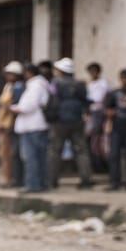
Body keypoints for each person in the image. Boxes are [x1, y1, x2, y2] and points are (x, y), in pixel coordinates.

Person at [47, 57, 92, 189]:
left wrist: (50, 116)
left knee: (55, 150)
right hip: (77, 121)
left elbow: (52, 100)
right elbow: (85, 101)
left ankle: (52, 180)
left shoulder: (55, 83)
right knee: (81, 150)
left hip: (60, 121)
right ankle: (85, 179)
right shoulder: (79, 84)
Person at [12, 63, 51, 192]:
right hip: (37, 125)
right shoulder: (42, 85)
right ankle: (42, 183)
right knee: (40, 157)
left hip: (32, 126)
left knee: (31, 157)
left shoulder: (35, 86)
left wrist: (14, 108)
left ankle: (33, 184)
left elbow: (28, 106)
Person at [0, 61, 24, 187]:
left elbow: (11, 107)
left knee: (10, 153)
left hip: (10, 125)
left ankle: (12, 179)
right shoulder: (8, 86)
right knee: (3, 153)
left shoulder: (18, 87)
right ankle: (8, 178)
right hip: (3, 124)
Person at [84, 62, 110, 177]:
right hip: (91, 113)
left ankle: (101, 166)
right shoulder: (90, 85)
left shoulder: (103, 84)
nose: (92, 73)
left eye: (94, 71)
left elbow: (100, 99)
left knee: (97, 141)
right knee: (90, 140)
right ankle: (95, 165)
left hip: (99, 113)